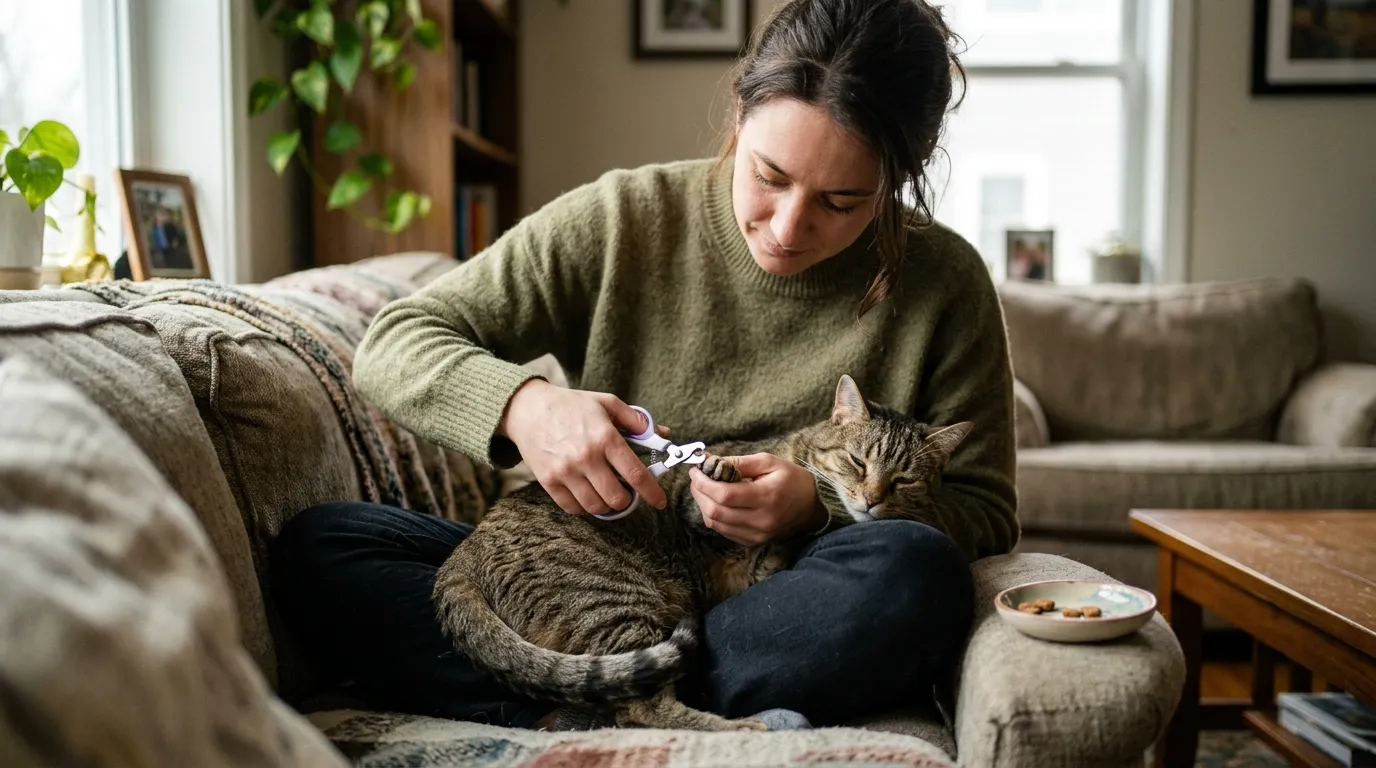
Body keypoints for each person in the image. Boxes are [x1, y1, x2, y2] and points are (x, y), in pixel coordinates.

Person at [269, 0, 1018, 732]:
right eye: (768, 175)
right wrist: (526, 405)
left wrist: (816, 506)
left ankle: (589, 696)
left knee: (913, 575)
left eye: (843, 201)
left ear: (900, 177)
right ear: (738, 112)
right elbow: (398, 337)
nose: (788, 228)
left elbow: (985, 509)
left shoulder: (944, 281)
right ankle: (639, 691)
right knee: (325, 548)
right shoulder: (624, 216)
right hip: (597, 570)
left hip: (777, 594)